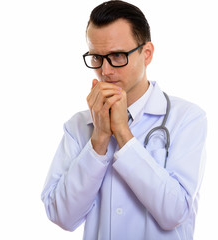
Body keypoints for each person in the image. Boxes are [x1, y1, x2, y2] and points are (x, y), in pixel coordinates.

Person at [41, 1, 207, 239]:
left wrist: (122, 132)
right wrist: (98, 138)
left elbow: (175, 212)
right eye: (97, 57)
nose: (106, 71)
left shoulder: (187, 118)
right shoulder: (78, 126)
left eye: (117, 56)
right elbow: (61, 216)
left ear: (146, 53)